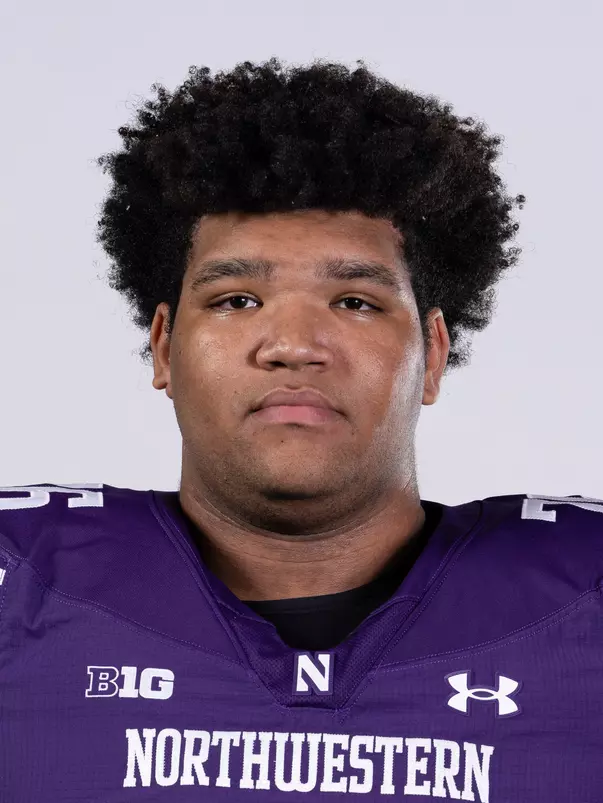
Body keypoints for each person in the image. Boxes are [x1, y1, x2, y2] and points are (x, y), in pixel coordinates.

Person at [1, 57, 601, 802]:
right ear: (162, 346)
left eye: (353, 301)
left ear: (433, 353)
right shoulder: (18, 584)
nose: (291, 343)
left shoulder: (583, 600)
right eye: (235, 299)